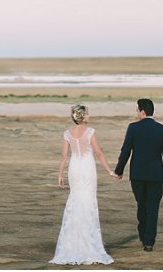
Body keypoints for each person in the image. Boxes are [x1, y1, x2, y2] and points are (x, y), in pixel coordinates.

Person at [50, 105, 116, 265]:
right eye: (87, 113)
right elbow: (99, 153)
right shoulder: (90, 131)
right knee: (88, 202)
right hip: (87, 168)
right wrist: (110, 171)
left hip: (74, 169)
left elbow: (63, 156)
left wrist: (60, 175)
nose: (89, 115)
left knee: (75, 201)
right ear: (83, 116)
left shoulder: (67, 133)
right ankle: (89, 244)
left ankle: (72, 244)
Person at [114, 98, 163, 252]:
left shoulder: (133, 128)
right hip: (155, 175)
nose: (137, 113)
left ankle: (143, 235)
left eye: (137, 110)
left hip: (138, 175)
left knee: (141, 205)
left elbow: (126, 150)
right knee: (153, 207)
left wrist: (119, 170)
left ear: (142, 111)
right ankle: (149, 241)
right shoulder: (162, 129)